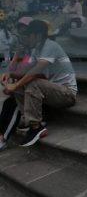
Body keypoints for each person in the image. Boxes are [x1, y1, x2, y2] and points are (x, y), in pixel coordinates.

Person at [2, 19, 78, 147]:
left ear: (37, 35)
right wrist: (10, 74)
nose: (26, 38)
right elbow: (27, 69)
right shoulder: (38, 50)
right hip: (53, 92)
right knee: (20, 86)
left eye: (28, 35)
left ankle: (36, 126)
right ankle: (28, 121)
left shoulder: (50, 46)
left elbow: (37, 70)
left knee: (32, 82)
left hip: (67, 93)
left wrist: (15, 84)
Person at [0, 17, 34, 151]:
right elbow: (10, 71)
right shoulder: (22, 52)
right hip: (22, 92)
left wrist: (14, 87)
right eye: (21, 33)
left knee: (14, 105)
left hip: (35, 94)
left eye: (26, 33)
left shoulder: (37, 51)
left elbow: (31, 76)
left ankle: (2, 138)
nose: (22, 37)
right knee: (8, 102)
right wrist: (16, 57)